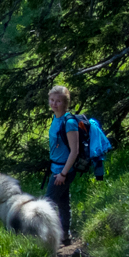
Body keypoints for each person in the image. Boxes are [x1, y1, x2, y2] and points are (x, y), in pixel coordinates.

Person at [47, 84, 79, 246]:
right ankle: (65, 235)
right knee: (63, 202)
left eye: (58, 101)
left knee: (47, 205)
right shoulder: (55, 118)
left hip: (63, 171)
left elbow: (74, 151)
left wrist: (63, 174)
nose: (54, 104)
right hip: (56, 168)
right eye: (52, 100)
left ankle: (49, 239)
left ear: (65, 103)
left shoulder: (69, 122)